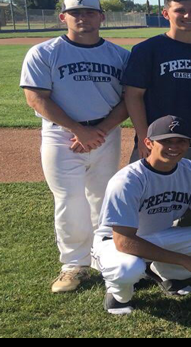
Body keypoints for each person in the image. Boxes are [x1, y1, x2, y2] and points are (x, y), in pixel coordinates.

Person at [20, 0, 130, 293]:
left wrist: (100, 130)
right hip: (61, 135)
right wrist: (79, 130)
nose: (83, 17)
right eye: (75, 12)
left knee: (103, 197)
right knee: (69, 199)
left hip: (105, 133)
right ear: (63, 17)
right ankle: (73, 265)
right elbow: (36, 98)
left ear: (101, 17)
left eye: (89, 12)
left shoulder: (119, 55)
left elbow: (129, 99)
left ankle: (105, 258)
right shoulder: (44, 52)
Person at [92, 116, 191, 315]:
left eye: (181, 141)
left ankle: (161, 271)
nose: (174, 147)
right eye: (166, 141)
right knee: (127, 269)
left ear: (189, 144)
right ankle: (118, 295)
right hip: (113, 243)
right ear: (148, 143)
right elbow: (123, 241)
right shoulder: (128, 180)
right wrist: (186, 260)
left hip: (161, 236)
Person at [123, 0, 191, 181]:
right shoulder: (147, 50)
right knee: (149, 194)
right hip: (159, 139)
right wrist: (144, 137)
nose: (188, 16)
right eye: (180, 10)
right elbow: (134, 95)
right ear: (166, 14)